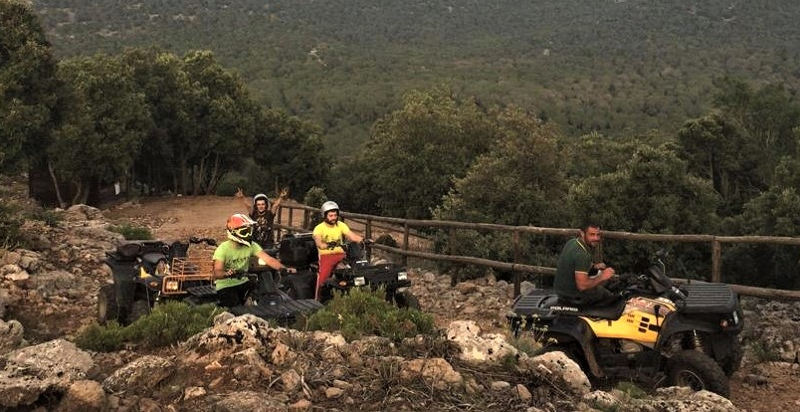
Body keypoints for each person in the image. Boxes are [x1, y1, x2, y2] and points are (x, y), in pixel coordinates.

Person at [212, 213, 294, 307]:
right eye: (244, 232)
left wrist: (284, 269)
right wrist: (227, 273)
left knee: (263, 295)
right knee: (235, 308)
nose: (248, 235)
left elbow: (268, 259)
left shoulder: (251, 245)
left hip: (244, 281)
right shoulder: (223, 249)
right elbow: (217, 272)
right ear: (233, 232)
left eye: (249, 231)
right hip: (226, 285)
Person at [554, 222, 617, 306]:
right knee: (610, 296)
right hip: (573, 295)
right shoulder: (583, 255)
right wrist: (602, 277)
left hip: (561, 292)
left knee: (602, 284)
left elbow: (575, 264)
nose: (596, 238)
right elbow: (582, 286)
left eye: (598, 235)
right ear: (582, 233)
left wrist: (594, 267)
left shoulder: (572, 242)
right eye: (592, 235)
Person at [312, 201, 363, 300]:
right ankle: (318, 299)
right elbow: (319, 243)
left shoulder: (340, 225)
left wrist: (363, 240)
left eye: (335, 215)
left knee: (353, 272)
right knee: (323, 279)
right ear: (324, 216)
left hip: (341, 255)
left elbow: (352, 236)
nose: (334, 218)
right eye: (331, 216)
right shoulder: (319, 228)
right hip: (326, 256)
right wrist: (326, 245)